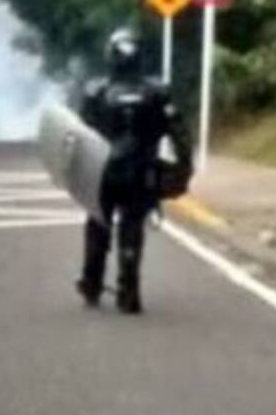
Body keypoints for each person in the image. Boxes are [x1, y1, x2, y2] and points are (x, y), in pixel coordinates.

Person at [76, 28, 192, 314]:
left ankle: (92, 283)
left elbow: (78, 136)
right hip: (141, 172)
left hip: (102, 172)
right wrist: (184, 167)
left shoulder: (96, 92)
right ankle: (129, 291)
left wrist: (76, 174)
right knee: (131, 228)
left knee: (97, 225)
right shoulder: (157, 93)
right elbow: (180, 133)